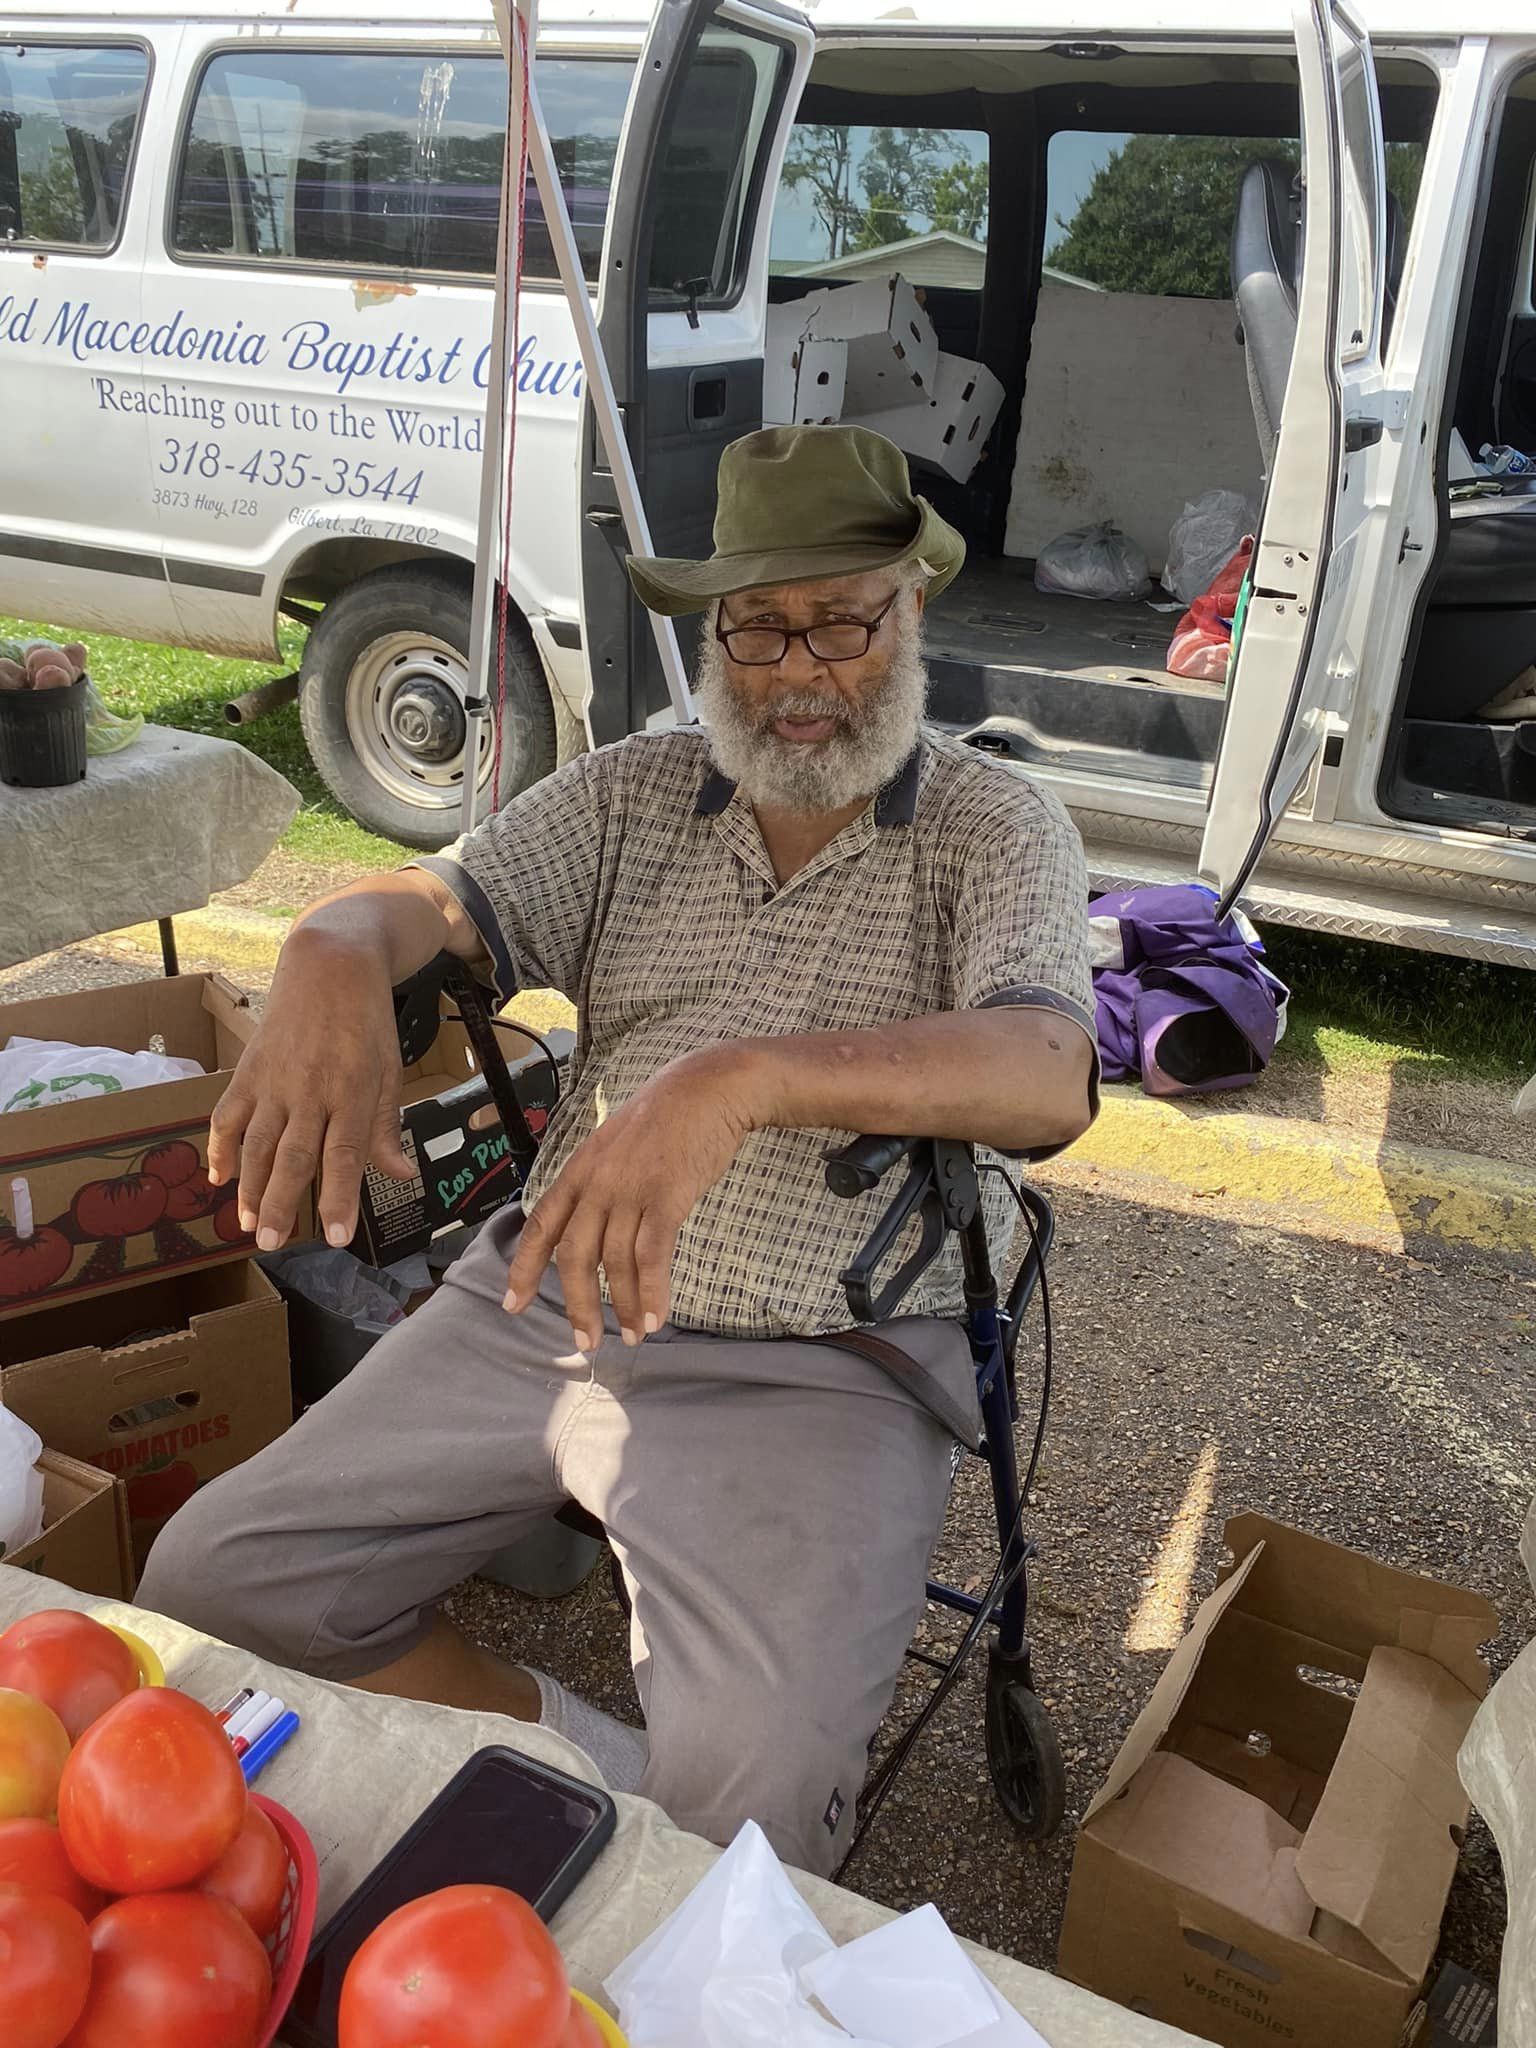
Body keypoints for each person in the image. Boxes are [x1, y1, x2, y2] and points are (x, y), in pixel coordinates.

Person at [139, 424, 1097, 1876]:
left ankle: (670, 1825)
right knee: (214, 1582)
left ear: (912, 610)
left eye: (842, 621)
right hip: (551, 1298)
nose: (797, 672)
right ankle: (591, 1765)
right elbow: (440, 901)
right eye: (757, 626)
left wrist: (740, 1081)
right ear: (712, 632)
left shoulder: (994, 825)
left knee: (759, 1806)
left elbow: (1048, 1069)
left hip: (821, 1352)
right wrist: (333, 943)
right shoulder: (637, 790)